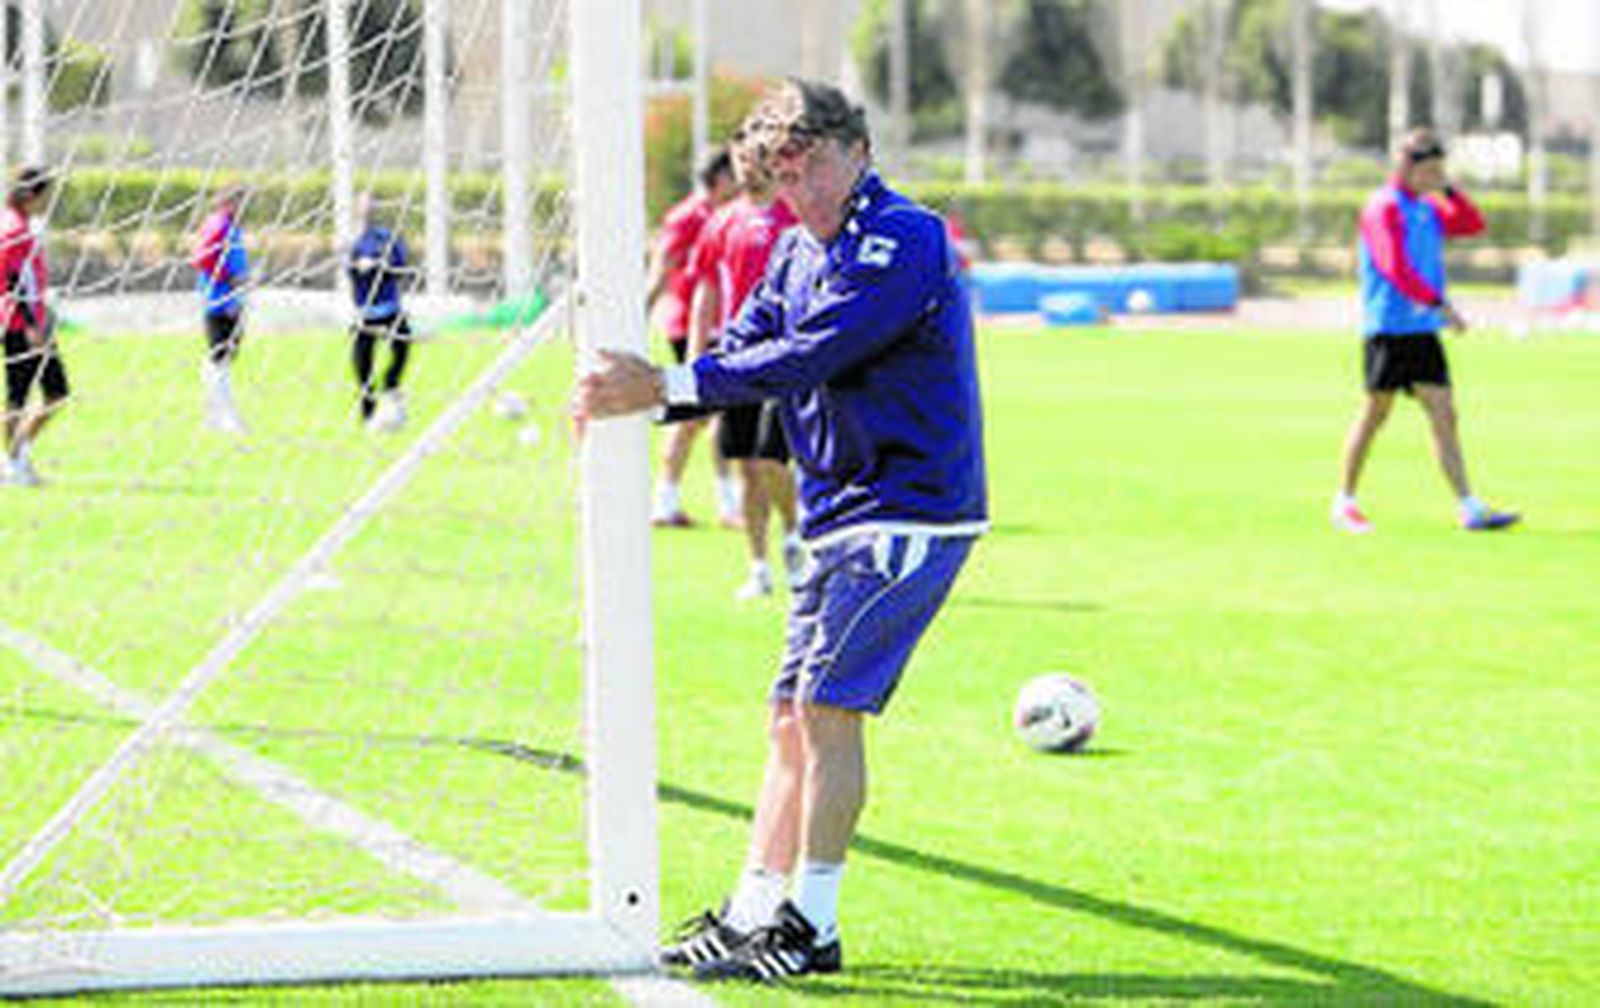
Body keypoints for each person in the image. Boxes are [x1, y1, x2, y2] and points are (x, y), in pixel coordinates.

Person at [573, 78, 987, 982]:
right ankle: (755, 908)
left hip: (909, 507)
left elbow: (817, 351)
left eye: (814, 168)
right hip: (841, 507)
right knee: (787, 721)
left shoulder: (903, 236)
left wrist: (669, 390)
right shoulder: (798, 252)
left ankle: (814, 924)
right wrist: (654, 379)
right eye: (784, 176)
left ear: (859, 151)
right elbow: (754, 337)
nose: (802, 192)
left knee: (825, 710)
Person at [1334, 127, 1518, 534]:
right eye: (1429, 170)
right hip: (1388, 329)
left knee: (1444, 412)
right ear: (1405, 166)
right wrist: (1440, 305)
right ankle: (1344, 502)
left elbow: (1472, 223)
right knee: (1374, 415)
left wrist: (1448, 188)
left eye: (1439, 170)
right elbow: (1393, 267)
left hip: (1421, 331)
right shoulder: (1383, 207)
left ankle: (1469, 506)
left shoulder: (1427, 208)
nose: (1433, 178)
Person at [683, 138, 804, 598]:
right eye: (739, 159)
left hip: (786, 358)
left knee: (772, 458)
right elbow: (706, 290)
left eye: (753, 157)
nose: (746, 166)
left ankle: (793, 534)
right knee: (747, 466)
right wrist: (698, 357)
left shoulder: (795, 214)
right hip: (736, 360)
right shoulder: (721, 221)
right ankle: (759, 568)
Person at [646, 146, 740, 528]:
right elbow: (662, 266)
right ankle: (665, 502)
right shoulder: (687, 217)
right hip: (691, 326)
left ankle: (724, 502)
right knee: (693, 416)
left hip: (723, 325)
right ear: (720, 179)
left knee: (717, 415)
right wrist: (641, 312)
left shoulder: (725, 215)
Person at [2, 166, 66, 487]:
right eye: (44, 196)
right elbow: (12, 280)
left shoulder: (21, 224)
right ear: (31, 195)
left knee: (56, 391)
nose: (46, 203)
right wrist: (30, 325)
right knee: (20, 396)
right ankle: (12, 463)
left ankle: (17, 455)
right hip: (20, 325)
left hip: (34, 321)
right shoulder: (13, 229)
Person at [347, 194, 416, 431]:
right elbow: (349, 269)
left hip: (389, 310)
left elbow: (400, 265)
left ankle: (391, 385)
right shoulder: (353, 239)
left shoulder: (387, 237)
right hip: (364, 313)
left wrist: (378, 264)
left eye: (370, 206)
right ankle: (369, 416)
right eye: (362, 206)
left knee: (402, 349)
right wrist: (358, 266)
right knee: (362, 366)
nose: (366, 211)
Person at [191, 184, 250, 433]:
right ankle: (227, 419)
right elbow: (202, 258)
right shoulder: (219, 225)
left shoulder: (227, 226)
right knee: (220, 359)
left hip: (228, 299)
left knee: (222, 359)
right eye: (238, 201)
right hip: (220, 302)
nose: (242, 207)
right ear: (227, 202)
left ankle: (213, 417)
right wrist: (229, 278)